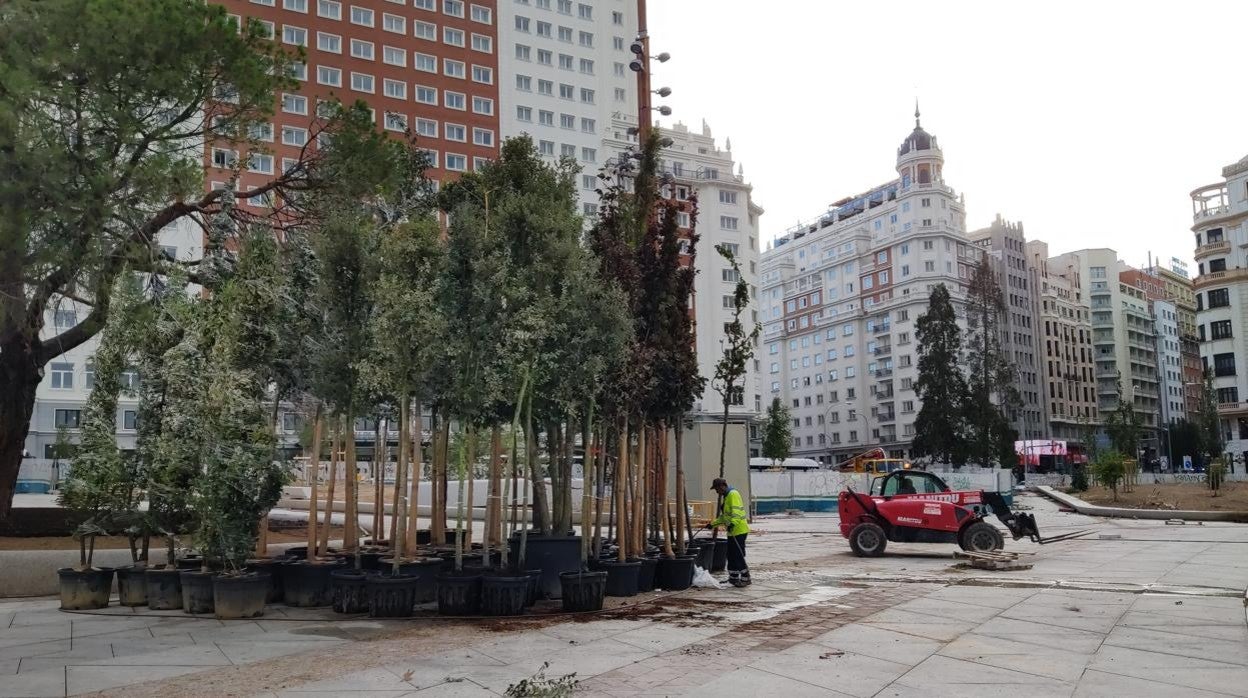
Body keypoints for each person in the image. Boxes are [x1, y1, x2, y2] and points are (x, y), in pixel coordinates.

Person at [706, 478, 750, 587]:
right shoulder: (727, 496)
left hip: (739, 530)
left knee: (738, 554)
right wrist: (713, 524)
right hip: (732, 531)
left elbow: (736, 513)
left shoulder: (733, 494)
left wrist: (732, 524)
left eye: (716, 489)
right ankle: (733, 578)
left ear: (722, 486)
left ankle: (746, 578)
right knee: (730, 555)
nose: (717, 492)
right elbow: (725, 517)